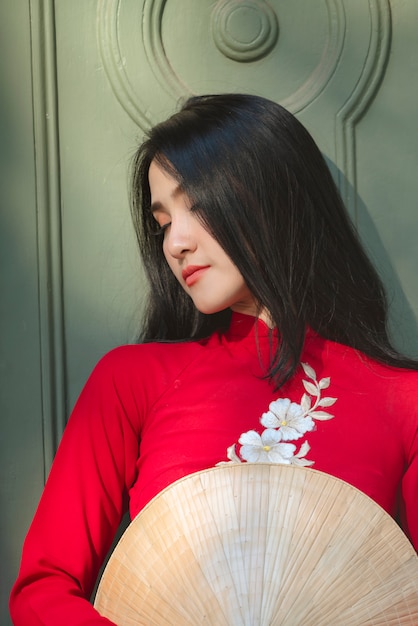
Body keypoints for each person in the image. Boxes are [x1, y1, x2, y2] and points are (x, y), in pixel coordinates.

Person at [10, 94, 418, 624]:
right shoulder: (131, 381)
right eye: (162, 222)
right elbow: (43, 590)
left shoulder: (403, 398)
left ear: (276, 195)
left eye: (196, 204)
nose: (175, 243)